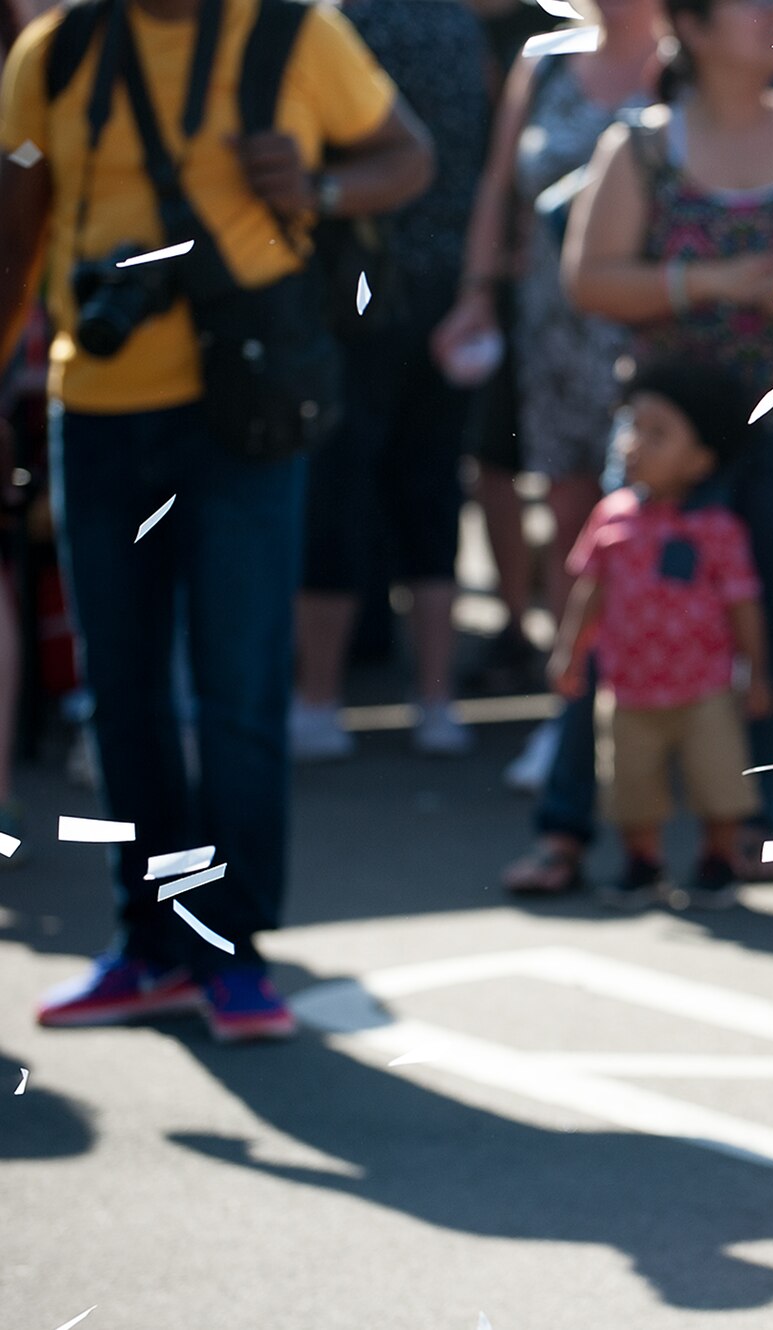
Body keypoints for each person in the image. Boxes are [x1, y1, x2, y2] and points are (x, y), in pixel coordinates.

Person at [2, 0, 433, 1040]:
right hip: (99, 415)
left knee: (238, 687)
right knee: (125, 692)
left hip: (244, 408)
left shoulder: (292, 30)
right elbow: (15, 229)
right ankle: (149, 942)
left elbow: (405, 156)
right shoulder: (53, 53)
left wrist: (319, 184)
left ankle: (231, 949)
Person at [563, 0, 773, 838]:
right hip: (669, 446)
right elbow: (588, 278)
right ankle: (569, 828)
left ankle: (750, 827)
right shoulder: (640, 145)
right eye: (755, 5)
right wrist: (706, 285)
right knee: (617, 624)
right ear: (695, 26)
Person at [434, 0, 668, 705]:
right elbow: (497, 187)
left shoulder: (684, 66)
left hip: (648, 330)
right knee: (570, 515)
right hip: (550, 331)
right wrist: (476, 291)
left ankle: (653, 698)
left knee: (650, 516)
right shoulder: (542, 62)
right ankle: (573, 706)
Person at [291, 0, 490, 761]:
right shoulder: (460, 23)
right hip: (443, 293)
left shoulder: (338, 24)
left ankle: (318, 702)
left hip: (357, 295)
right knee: (432, 489)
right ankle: (436, 701)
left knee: (341, 484)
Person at [548, 358, 772, 910]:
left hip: (705, 687)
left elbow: (744, 605)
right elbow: (590, 592)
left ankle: (718, 858)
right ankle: (641, 861)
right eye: (631, 427)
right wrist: (569, 652)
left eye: (658, 434)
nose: (634, 444)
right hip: (626, 688)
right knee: (631, 789)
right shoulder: (611, 517)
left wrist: (758, 673)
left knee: (719, 781)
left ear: (701, 461)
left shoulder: (718, 530)